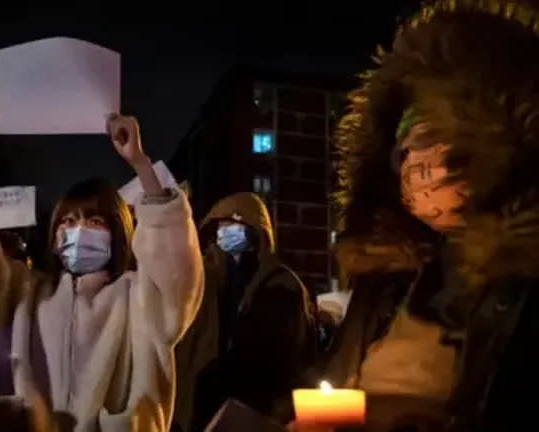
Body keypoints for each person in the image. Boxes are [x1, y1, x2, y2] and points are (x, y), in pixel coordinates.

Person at [320, 1, 539, 430]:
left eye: (438, 140)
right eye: (406, 150)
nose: (420, 167)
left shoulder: (523, 283)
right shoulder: (390, 281)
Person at [0, 106, 203, 432]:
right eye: (68, 221)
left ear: (117, 233)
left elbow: (174, 264)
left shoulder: (141, 300)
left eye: (95, 221)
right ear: (54, 236)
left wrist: (139, 161)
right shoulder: (17, 292)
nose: (79, 230)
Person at [173, 192, 316, 432]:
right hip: (204, 410)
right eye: (221, 224)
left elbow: (281, 358)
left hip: (257, 411)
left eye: (235, 224)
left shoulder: (280, 284)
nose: (226, 230)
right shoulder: (209, 279)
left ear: (256, 232)